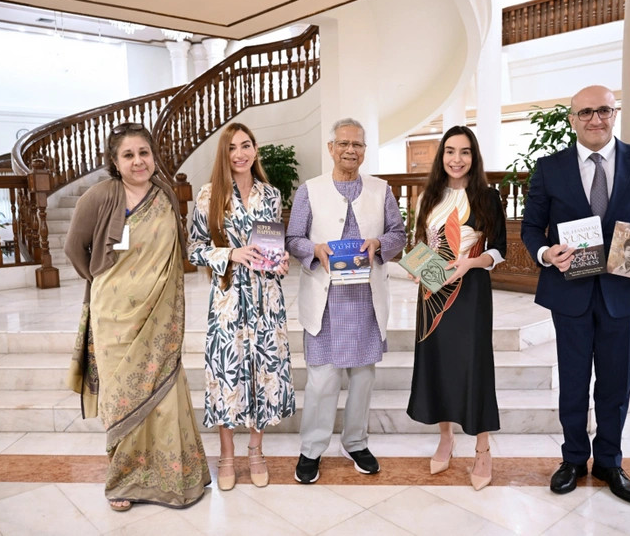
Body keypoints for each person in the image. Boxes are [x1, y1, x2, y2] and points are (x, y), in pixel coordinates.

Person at [521, 85, 630, 504]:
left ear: (614, 113)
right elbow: (531, 226)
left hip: (623, 293)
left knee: (615, 384)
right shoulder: (549, 167)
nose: (596, 119)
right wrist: (546, 253)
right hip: (569, 292)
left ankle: (609, 461)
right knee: (573, 382)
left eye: (604, 110)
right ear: (572, 119)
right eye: (586, 112)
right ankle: (573, 459)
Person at [65, 122, 210, 511]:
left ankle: (172, 476)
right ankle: (124, 481)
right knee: (122, 398)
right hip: (113, 319)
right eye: (128, 155)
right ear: (114, 162)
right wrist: (105, 282)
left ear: (153, 156)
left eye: (144, 152)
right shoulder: (99, 196)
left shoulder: (165, 195)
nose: (138, 161)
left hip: (158, 314)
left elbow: (176, 252)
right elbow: (75, 247)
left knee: (163, 394)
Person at [286, 117, 406, 483]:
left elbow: (398, 234)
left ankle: (356, 442)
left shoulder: (382, 190)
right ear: (331, 148)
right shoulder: (310, 190)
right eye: (343, 143)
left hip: (365, 300)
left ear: (365, 150)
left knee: (363, 378)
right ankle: (312, 448)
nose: (350, 150)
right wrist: (314, 249)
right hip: (325, 300)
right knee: (322, 380)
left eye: (357, 144)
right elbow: (293, 238)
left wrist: (379, 243)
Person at [188, 122, 296, 491]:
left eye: (246, 145)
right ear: (224, 153)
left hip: (267, 300)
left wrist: (281, 262)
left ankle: (256, 452)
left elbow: (272, 246)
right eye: (232, 147)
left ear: (255, 149)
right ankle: (227, 455)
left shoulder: (270, 195)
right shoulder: (208, 195)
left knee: (263, 372)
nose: (240, 153)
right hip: (229, 300)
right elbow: (194, 249)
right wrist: (230, 254)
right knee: (227, 375)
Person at [406, 126, 506, 491]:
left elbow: (499, 249)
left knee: (474, 366)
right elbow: (419, 244)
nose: (457, 159)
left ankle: (482, 448)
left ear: (474, 157)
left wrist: (471, 263)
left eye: (465, 152)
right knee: (438, 364)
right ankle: (446, 438)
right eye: (450, 151)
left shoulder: (487, 197)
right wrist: (417, 269)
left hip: (471, 292)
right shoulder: (428, 197)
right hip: (433, 296)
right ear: (441, 156)